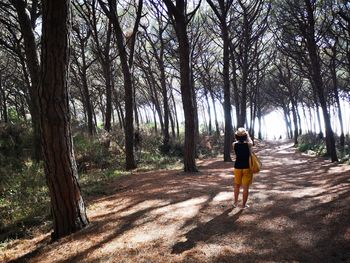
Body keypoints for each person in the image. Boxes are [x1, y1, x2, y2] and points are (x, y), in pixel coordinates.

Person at [232, 127, 253, 209]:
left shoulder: (234, 145)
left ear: (236, 136)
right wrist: (247, 135)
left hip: (237, 167)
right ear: (245, 136)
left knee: (237, 185)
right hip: (247, 167)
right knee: (245, 187)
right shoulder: (248, 144)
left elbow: (237, 141)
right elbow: (250, 141)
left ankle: (235, 203)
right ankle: (243, 205)